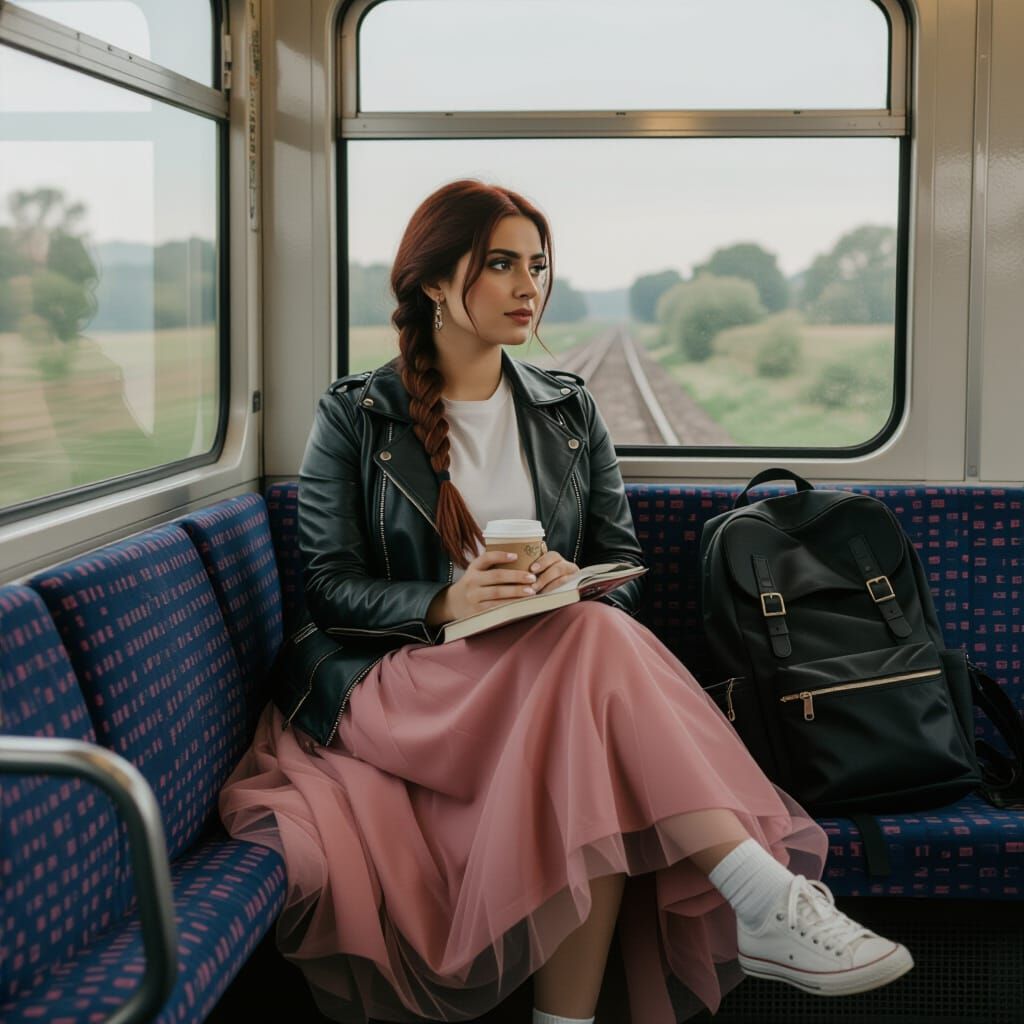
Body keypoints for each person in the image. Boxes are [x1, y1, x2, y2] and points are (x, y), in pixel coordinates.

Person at [219, 180, 913, 1024]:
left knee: (593, 703)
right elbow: (329, 586)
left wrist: (563, 575)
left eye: (539, 266)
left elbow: (619, 557)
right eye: (501, 264)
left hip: (540, 669)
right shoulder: (355, 414)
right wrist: (447, 601)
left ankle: (594, 1006)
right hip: (397, 682)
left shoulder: (569, 409)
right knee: (593, 662)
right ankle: (762, 898)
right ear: (435, 284)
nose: (529, 287)